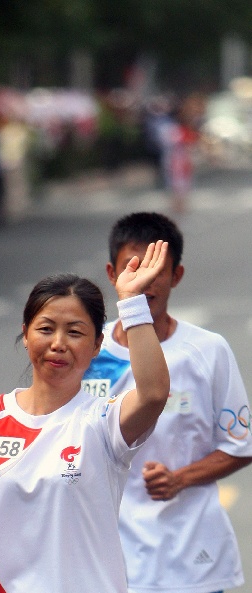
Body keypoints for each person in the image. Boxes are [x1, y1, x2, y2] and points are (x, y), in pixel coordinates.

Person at [0, 241, 171, 593]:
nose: (58, 343)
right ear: (25, 333)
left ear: (97, 345)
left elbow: (155, 393)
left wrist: (131, 302)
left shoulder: (103, 421)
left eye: (75, 332)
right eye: (46, 328)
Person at [82, 211, 252, 593]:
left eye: (158, 269)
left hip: (190, 559)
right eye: (134, 266)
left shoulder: (207, 351)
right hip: (108, 558)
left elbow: (240, 446)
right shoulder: (89, 354)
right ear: (112, 274)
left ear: (177, 276)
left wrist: (180, 479)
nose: (145, 280)